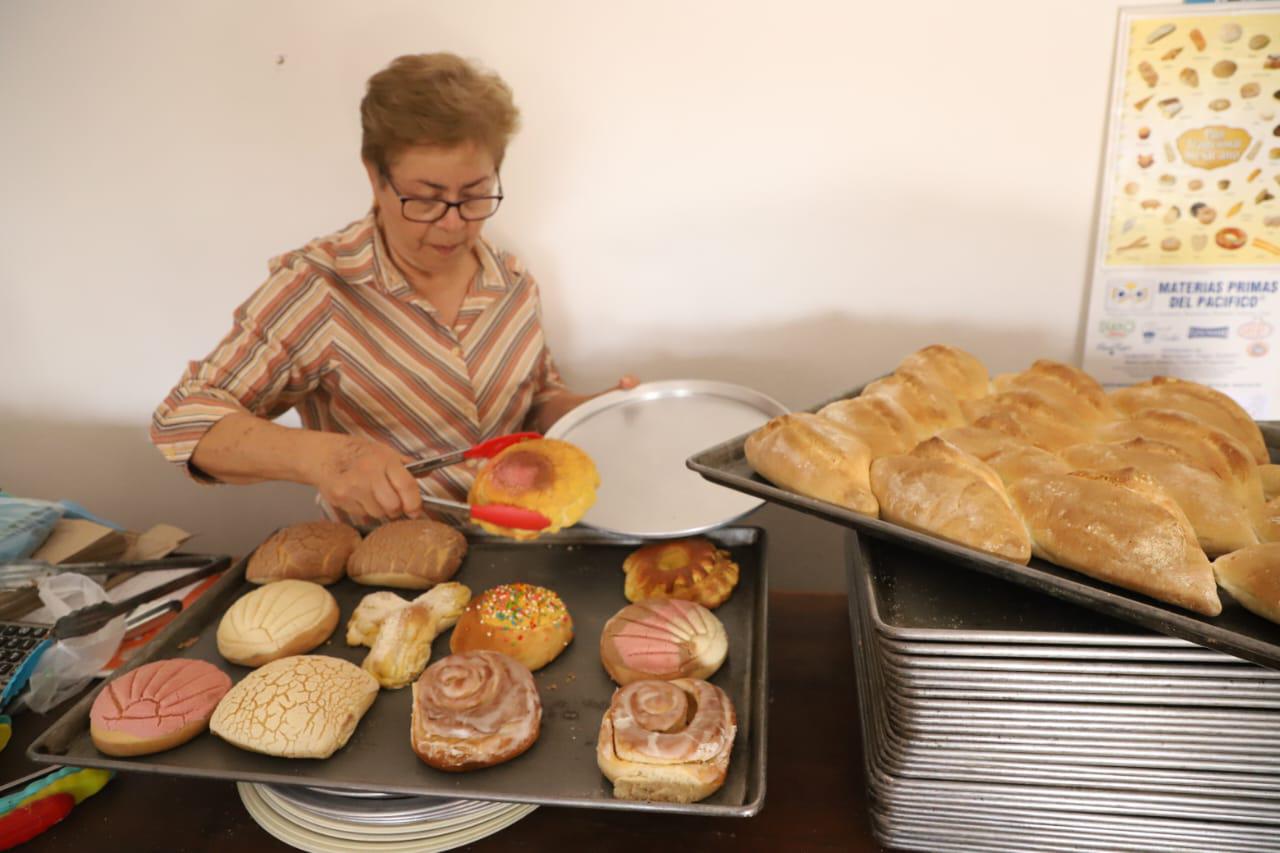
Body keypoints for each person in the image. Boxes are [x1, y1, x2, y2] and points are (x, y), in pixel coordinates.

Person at [150, 53, 635, 526]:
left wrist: (592, 413)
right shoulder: (319, 288)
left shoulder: (511, 281)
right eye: (424, 199)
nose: (451, 224)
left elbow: (534, 401)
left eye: (473, 196)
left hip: (525, 544)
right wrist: (330, 458)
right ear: (374, 176)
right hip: (391, 576)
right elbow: (182, 420)